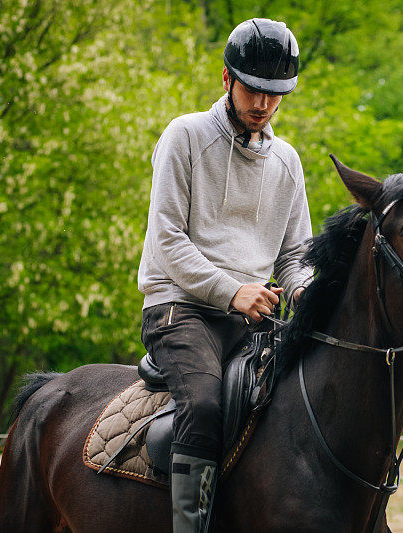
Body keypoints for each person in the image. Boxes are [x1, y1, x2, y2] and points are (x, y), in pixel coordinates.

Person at [137, 18, 313, 532]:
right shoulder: (185, 136)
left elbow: (295, 252)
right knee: (207, 403)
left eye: (274, 94)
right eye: (253, 89)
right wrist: (233, 291)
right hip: (177, 308)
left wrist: (301, 285)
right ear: (226, 79)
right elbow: (168, 242)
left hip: (254, 315)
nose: (263, 103)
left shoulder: (288, 161)